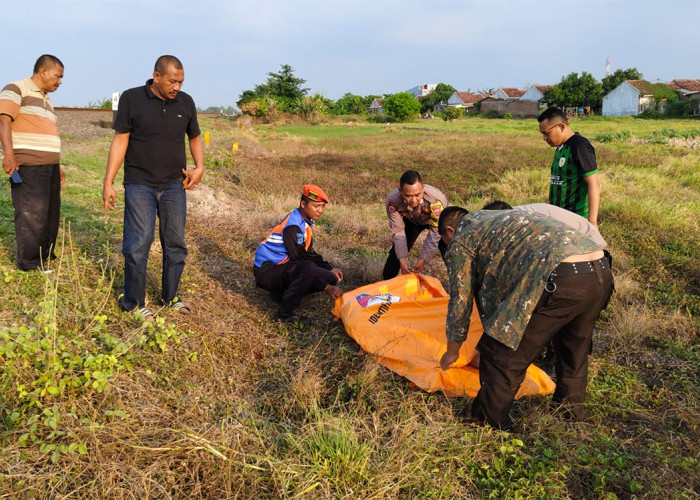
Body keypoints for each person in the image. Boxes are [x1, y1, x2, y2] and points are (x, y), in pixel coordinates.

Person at [438, 206, 614, 430]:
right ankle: (569, 412)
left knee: (501, 354)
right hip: (600, 270)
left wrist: (452, 352)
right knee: (573, 347)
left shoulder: (462, 238)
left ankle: (487, 424)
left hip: (560, 275)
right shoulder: (497, 219)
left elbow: (460, 302)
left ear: (450, 232)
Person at [103, 55, 204, 319]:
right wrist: (108, 182)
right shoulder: (132, 98)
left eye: (181, 82)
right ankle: (133, 303)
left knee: (175, 244)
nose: (177, 87)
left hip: (174, 184)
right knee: (138, 244)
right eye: (172, 81)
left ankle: (171, 296)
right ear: (157, 76)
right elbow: (120, 141)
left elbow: (194, 136)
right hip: (139, 184)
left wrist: (199, 166)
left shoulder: (186, 102)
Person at [0, 55, 65, 271]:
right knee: (31, 213)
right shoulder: (16, 88)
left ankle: (44, 254)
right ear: (43, 71)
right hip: (28, 165)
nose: (60, 81)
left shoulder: (47, 99)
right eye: (58, 76)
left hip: (50, 165)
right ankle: (28, 262)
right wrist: (9, 154)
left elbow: (48, 132)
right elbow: (3, 120)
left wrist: (58, 164)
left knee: (50, 213)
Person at [253, 184, 343, 323]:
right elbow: (302, 261)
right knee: (308, 269)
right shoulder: (293, 227)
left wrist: (330, 268)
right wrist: (327, 288)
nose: (320, 210)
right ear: (303, 204)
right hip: (267, 271)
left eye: (323, 206)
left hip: (281, 268)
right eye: (316, 206)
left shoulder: (305, 222)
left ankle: (281, 294)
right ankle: (284, 314)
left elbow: (309, 253)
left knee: (330, 277)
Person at [538, 107, 600, 227]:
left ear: (561, 127)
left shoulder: (580, 146)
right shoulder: (561, 147)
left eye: (546, 133)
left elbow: (594, 184)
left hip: (576, 219)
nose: (544, 138)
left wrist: (592, 222)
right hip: (558, 218)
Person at [383, 169, 448, 280]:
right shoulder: (393, 202)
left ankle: (460, 282)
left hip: (437, 222)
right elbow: (398, 231)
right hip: (412, 220)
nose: (413, 200)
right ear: (400, 192)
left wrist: (423, 259)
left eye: (417, 195)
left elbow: (435, 233)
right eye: (408, 196)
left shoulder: (436, 201)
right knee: (396, 253)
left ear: (423, 188)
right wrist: (402, 260)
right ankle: (387, 283)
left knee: (448, 250)